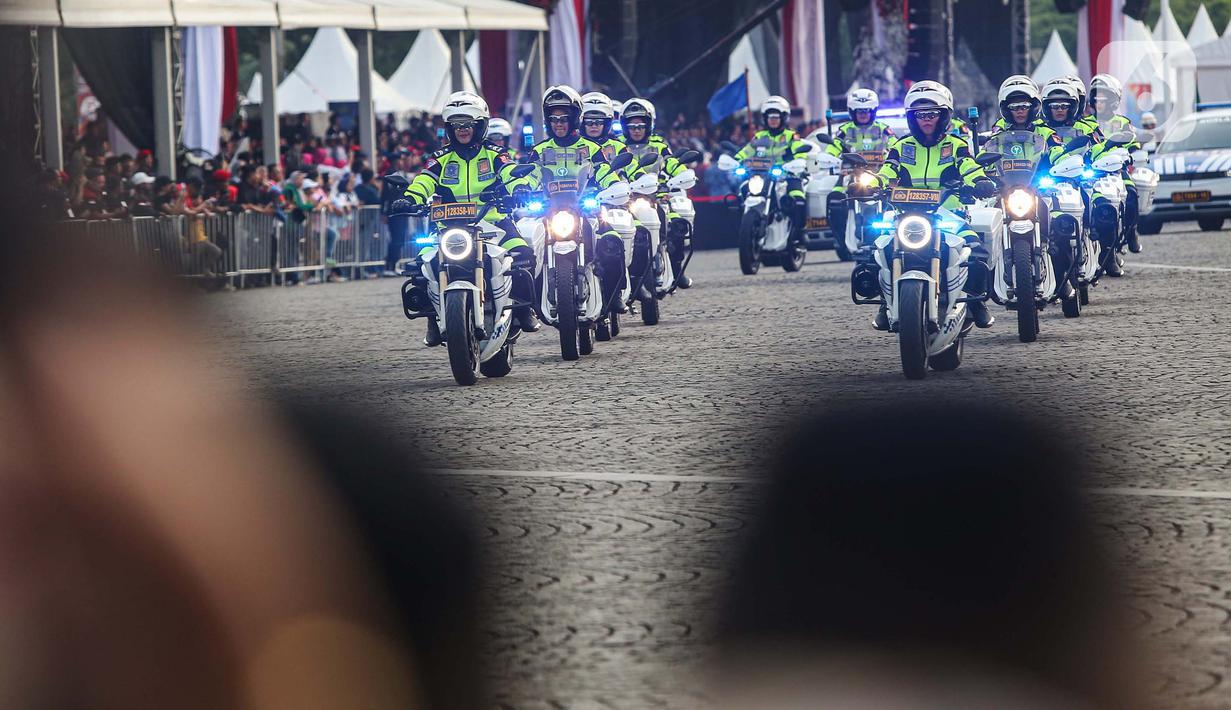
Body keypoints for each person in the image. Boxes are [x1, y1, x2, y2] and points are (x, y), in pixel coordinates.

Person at [399, 90, 539, 343]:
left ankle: (523, 311)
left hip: (494, 223)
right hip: (447, 228)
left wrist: (519, 188)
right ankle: (433, 318)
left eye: (468, 124)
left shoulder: (496, 153)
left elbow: (509, 171)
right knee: (420, 266)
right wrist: (410, 198)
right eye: (455, 125)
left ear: (480, 125)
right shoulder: (440, 158)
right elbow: (424, 180)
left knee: (523, 255)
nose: (462, 130)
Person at [874, 80, 997, 331]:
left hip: (948, 214)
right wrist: (872, 182)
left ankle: (975, 304)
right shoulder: (901, 146)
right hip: (904, 215)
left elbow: (968, 167)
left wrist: (980, 181)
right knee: (877, 250)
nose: (926, 120)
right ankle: (885, 306)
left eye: (932, 114)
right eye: (920, 115)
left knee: (977, 252)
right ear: (912, 118)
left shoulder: (955, 145)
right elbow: (888, 170)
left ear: (943, 116)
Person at [734, 96, 810, 250]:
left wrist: (798, 163)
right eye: (770, 117)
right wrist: (736, 160)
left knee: (798, 198)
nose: (773, 121)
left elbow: (800, 153)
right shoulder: (760, 137)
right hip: (761, 176)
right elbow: (745, 152)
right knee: (742, 191)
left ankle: (800, 233)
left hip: (787, 176)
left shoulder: (791, 136)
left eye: (776, 117)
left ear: (784, 118)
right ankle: (746, 228)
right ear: (765, 119)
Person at [825, 88, 896, 246]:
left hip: (878, 175)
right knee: (835, 200)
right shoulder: (844, 131)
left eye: (866, 111)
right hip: (849, 175)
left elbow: (895, 146)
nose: (863, 115)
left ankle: (889, 238)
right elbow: (833, 148)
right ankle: (840, 239)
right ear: (852, 112)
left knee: (893, 199)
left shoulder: (884, 130)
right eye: (859, 112)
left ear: (873, 111)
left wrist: (892, 154)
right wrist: (828, 157)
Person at [1087, 73, 1142, 259]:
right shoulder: (1085, 124)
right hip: (1093, 173)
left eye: (1103, 98)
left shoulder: (1122, 122)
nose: (1099, 102)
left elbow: (1133, 143)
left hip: (1117, 172)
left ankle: (1131, 230)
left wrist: (1128, 152)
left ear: (1113, 100)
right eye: (1096, 98)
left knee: (1132, 194)